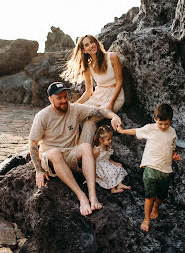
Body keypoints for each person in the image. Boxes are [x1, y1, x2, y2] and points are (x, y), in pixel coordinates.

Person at [29, 82, 122, 216]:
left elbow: (99, 110)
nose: (64, 100)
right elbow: (32, 144)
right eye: (59, 98)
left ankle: (92, 195)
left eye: (65, 96)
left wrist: (113, 116)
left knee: (85, 147)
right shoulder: (42, 116)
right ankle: (81, 196)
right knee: (55, 153)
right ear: (50, 99)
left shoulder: (75, 109)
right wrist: (38, 170)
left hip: (70, 153)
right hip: (50, 156)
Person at [117, 103, 182, 232]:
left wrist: (174, 156)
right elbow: (136, 131)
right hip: (151, 167)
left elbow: (172, 148)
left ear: (170, 121)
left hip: (166, 170)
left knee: (162, 196)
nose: (163, 127)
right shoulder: (150, 128)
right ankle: (146, 218)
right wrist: (122, 131)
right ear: (155, 119)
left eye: (166, 124)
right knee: (150, 196)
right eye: (160, 124)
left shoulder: (172, 132)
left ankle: (156, 207)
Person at [61, 34, 125, 145]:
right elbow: (89, 91)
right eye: (87, 45)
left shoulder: (112, 57)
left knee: (91, 120)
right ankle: (66, 145)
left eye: (92, 42)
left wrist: (111, 103)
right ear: (83, 50)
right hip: (98, 95)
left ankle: (83, 149)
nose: (91, 46)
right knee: (75, 114)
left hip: (115, 94)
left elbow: (119, 81)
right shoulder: (88, 66)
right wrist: (74, 106)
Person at [93, 125, 130, 194]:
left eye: (111, 138)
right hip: (99, 166)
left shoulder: (107, 147)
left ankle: (119, 184)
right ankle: (113, 189)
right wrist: (94, 172)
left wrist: (114, 163)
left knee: (119, 167)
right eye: (108, 139)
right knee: (110, 173)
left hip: (107, 163)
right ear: (101, 140)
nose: (111, 140)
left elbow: (107, 157)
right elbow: (91, 161)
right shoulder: (97, 150)